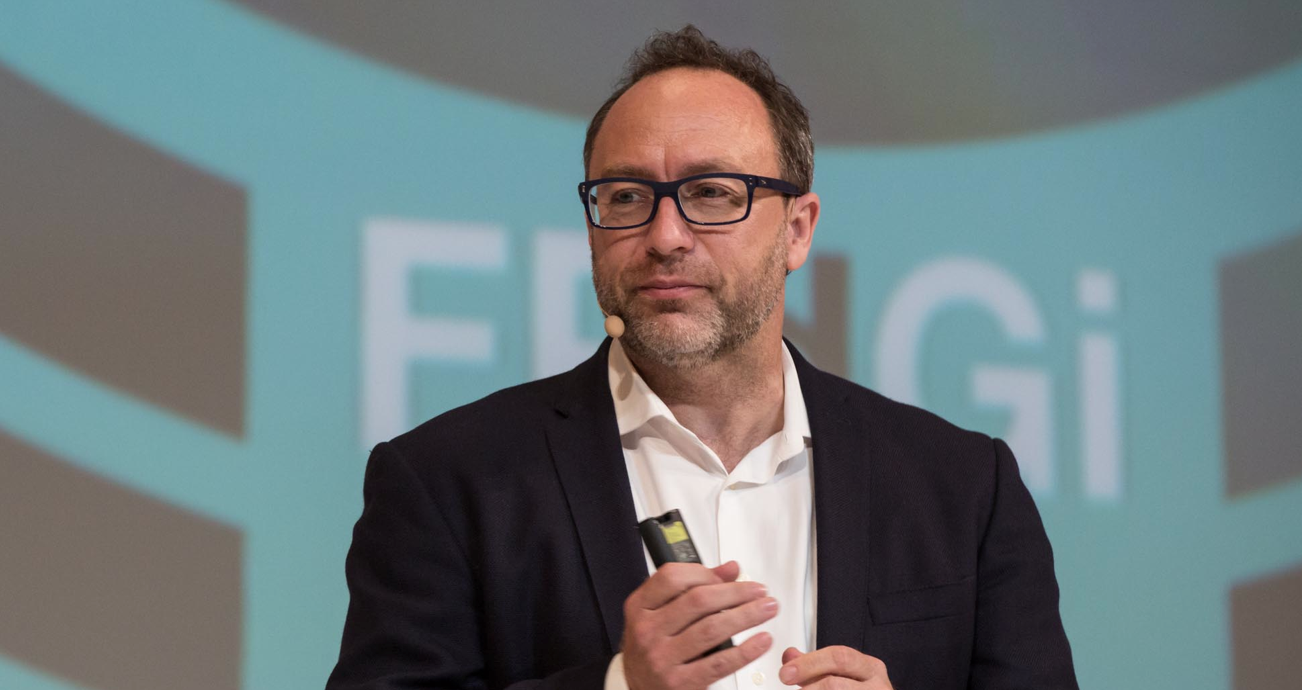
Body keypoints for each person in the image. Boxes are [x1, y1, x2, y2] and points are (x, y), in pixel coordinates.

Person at [326, 26, 1078, 690]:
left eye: (713, 193)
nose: (664, 236)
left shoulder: (962, 488)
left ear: (798, 230)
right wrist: (622, 686)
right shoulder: (447, 481)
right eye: (625, 197)